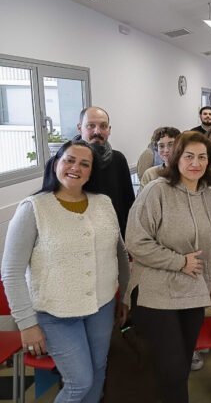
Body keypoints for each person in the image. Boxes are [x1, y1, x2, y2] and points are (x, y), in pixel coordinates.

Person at [2, 139, 130, 403]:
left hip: (102, 307)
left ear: (91, 172)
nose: (75, 168)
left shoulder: (103, 203)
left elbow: (119, 253)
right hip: (56, 313)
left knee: (98, 372)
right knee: (79, 382)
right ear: (55, 164)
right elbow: (12, 272)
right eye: (69, 160)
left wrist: (125, 296)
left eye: (84, 164)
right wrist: (27, 324)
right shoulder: (34, 208)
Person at [125, 131, 211, 403]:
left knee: (181, 368)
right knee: (171, 369)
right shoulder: (157, 190)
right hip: (155, 294)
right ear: (176, 157)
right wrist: (179, 262)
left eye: (202, 157)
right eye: (189, 156)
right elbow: (135, 241)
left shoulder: (210, 195)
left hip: (192, 292)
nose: (195, 163)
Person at [76, 106, 135, 238]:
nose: (97, 131)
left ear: (109, 130)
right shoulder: (66, 163)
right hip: (80, 236)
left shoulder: (118, 159)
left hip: (114, 235)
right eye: (90, 126)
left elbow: (128, 203)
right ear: (79, 128)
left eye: (103, 126)